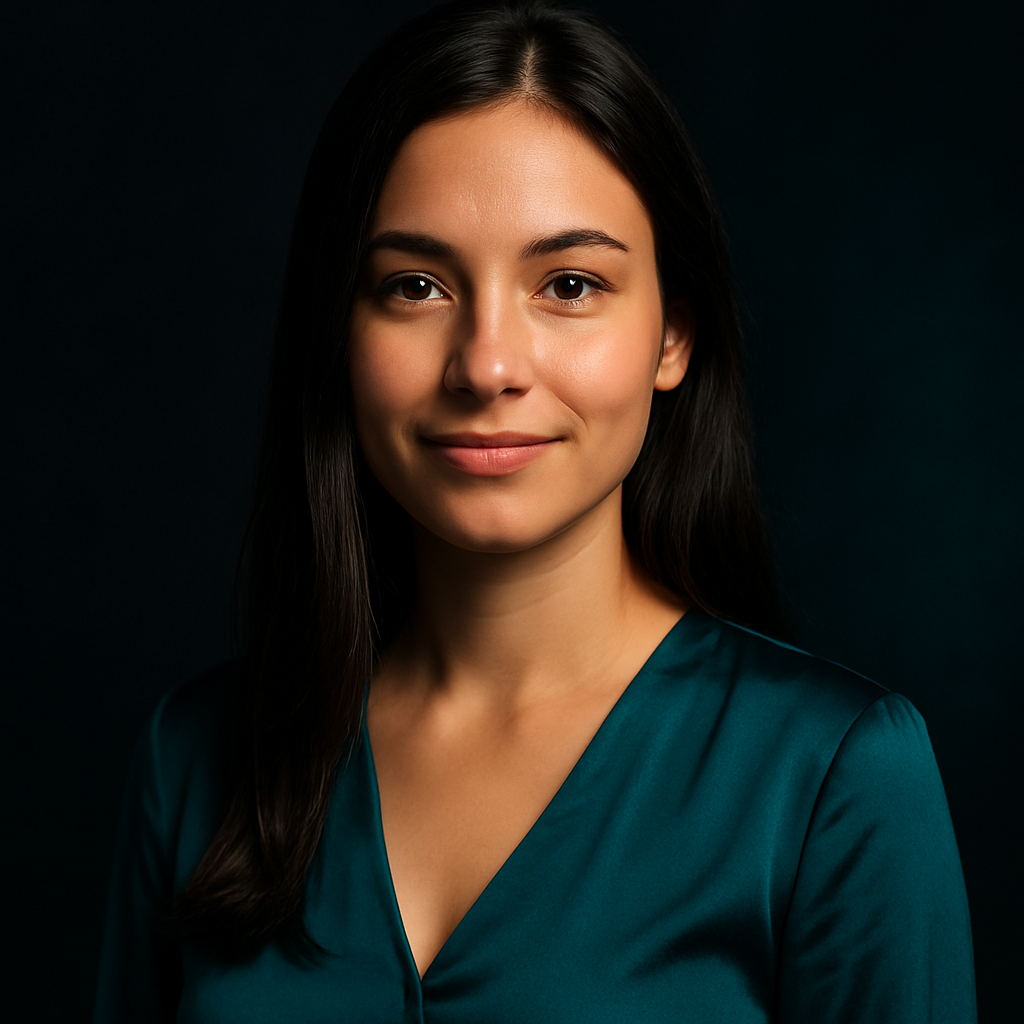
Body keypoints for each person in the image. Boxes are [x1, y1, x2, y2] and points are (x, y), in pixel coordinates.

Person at [94, 1, 976, 1020]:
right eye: (416, 285)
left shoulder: (835, 777)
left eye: (567, 283)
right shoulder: (195, 757)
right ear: (337, 333)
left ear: (671, 336)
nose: (487, 365)